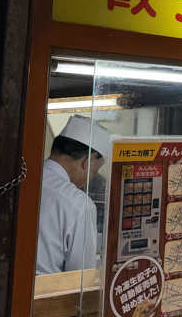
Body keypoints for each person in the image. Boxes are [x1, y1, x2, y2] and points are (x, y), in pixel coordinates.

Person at [36, 114, 111, 274]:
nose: (89, 180)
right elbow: (80, 276)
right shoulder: (79, 204)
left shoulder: (23, 177)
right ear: (86, 162)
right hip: (47, 288)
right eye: (94, 171)